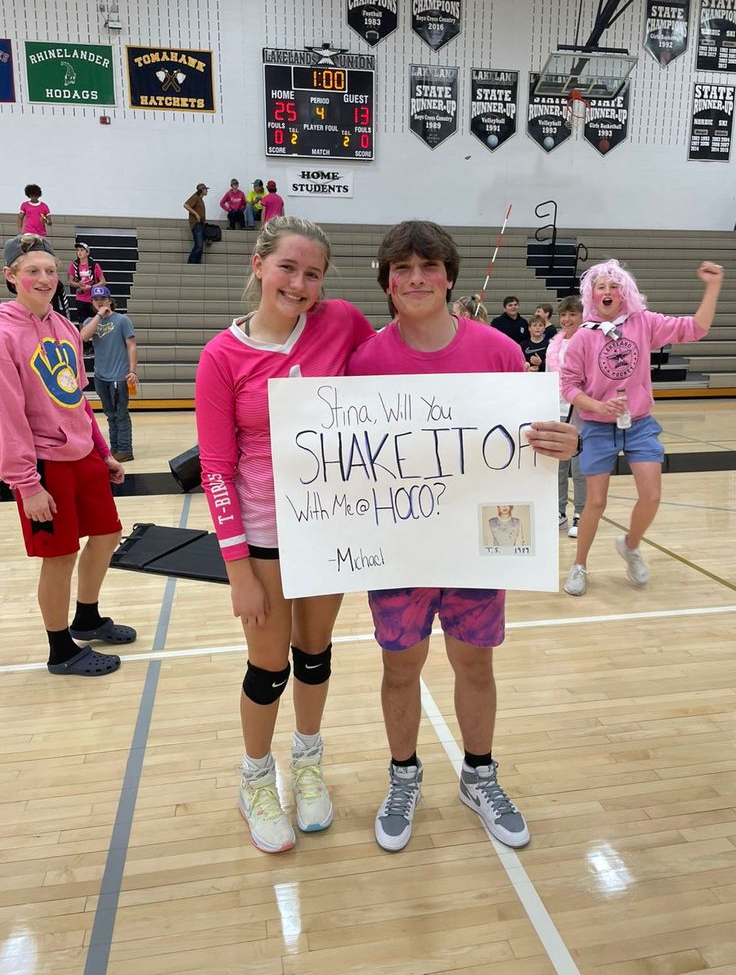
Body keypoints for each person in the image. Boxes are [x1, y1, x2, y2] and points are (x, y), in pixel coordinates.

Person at [347, 220, 579, 853]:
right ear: (387, 282)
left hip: (480, 539)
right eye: (402, 269)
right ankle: (403, 776)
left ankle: (479, 773)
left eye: (428, 266)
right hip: (400, 545)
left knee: (475, 661)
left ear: (448, 274)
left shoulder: (498, 352)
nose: (415, 278)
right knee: (401, 666)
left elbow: (534, 439)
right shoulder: (364, 360)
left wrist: (567, 440)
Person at [195, 216, 375, 854]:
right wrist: (237, 568)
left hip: (330, 526)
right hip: (265, 536)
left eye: (313, 274)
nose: (299, 284)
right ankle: (255, 779)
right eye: (288, 268)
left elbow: (399, 383)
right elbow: (215, 469)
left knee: (315, 655)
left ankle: (306, 761)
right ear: (258, 264)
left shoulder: (342, 322)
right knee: (268, 667)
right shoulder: (222, 356)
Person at [0, 234, 135, 677]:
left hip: (82, 454)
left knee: (107, 535)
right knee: (59, 556)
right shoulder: (4, 332)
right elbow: (8, 416)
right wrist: (26, 484)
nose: (44, 279)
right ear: (11, 277)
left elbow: (76, 399)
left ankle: (88, 617)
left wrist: (103, 451)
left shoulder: (63, 327)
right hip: (43, 462)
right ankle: (61, 650)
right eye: (32, 271)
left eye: (50, 271)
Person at [562, 258, 723, 596]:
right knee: (595, 502)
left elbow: (697, 328)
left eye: (614, 286)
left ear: (625, 293)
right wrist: (597, 405)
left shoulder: (642, 323)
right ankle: (579, 564)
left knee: (651, 495)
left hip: (639, 424)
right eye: (601, 286)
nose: (608, 291)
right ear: (592, 295)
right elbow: (568, 387)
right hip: (597, 426)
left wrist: (712, 287)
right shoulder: (581, 338)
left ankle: (631, 546)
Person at [79, 285, 138, 463]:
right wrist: (98, 315)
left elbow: (131, 346)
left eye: (103, 299)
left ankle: (126, 450)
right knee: (109, 414)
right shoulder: (91, 321)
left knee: (120, 414)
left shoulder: (122, 320)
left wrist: (132, 370)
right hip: (100, 376)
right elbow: (83, 337)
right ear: (92, 302)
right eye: (96, 300)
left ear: (110, 300)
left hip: (119, 376)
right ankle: (115, 448)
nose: (99, 302)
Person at [546, 295, 586, 535]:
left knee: (579, 468)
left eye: (572, 314)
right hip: (556, 409)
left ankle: (580, 513)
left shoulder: (588, 341)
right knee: (558, 467)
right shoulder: (554, 343)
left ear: (582, 316)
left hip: (581, 412)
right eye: (564, 315)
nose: (567, 319)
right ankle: (558, 512)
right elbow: (548, 376)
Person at [67, 242, 106, 326]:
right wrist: (78, 285)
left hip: (93, 297)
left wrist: (91, 287)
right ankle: (83, 338)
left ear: (87, 252)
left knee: (95, 320)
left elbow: (103, 282)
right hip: (80, 297)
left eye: (82, 250)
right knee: (82, 321)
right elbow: (70, 282)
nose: (79, 252)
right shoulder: (74, 265)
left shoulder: (94, 265)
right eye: (77, 250)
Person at [184, 183, 209, 264]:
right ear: (202, 190)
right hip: (196, 224)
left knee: (200, 246)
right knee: (198, 245)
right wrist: (196, 214)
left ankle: (197, 263)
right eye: (205, 189)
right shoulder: (195, 197)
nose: (207, 191)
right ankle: (191, 262)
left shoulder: (200, 199)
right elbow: (186, 205)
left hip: (200, 224)